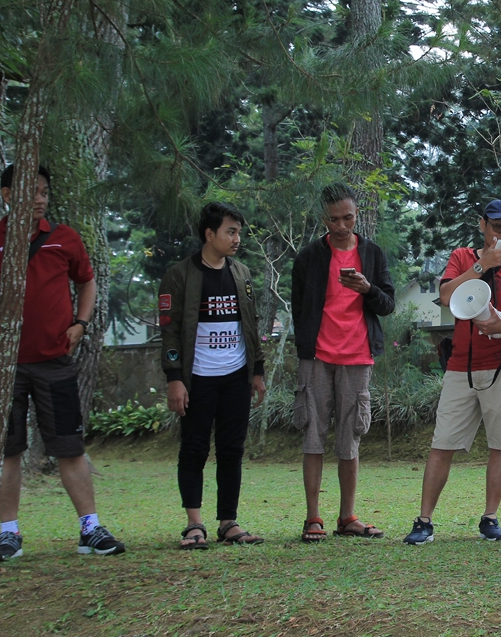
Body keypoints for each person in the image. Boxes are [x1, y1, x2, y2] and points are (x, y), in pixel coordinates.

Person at [0, 164, 125, 560]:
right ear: (7, 195)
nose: (40, 199)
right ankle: (8, 533)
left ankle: (90, 528)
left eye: (44, 192)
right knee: (7, 450)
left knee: (69, 446)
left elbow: (86, 281)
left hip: (54, 361)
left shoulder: (64, 238)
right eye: (31, 191)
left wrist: (80, 324)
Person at [403, 199, 501, 545]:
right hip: (460, 367)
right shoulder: (462, 257)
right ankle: (424, 521)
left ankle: (490, 518)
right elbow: (447, 295)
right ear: (483, 225)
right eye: (497, 227)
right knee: (442, 443)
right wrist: (482, 265)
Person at [291, 183, 395, 542]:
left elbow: (388, 304)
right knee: (313, 435)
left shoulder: (373, 254)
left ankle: (347, 516)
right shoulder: (308, 258)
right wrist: (306, 348)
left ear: (356, 214)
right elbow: (299, 310)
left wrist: (367, 288)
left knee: (350, 439)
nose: (341, 225)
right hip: (317, 357)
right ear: (324, 218)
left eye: (347, 218)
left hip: (358, 356)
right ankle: (313, 517)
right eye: (333, 219)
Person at [159, 202, 267, 548]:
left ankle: (228, 522)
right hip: (197, 377)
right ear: (210, 234)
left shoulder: (241, 273)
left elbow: (251, 325)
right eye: (230, 232)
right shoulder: (179, 275)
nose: (237, 239)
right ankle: (194, 524)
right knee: (194, 448)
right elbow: (169, 331)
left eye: (239, 232)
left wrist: (257, 371)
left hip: (236, 375)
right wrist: (174, 377)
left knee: (232, 449)